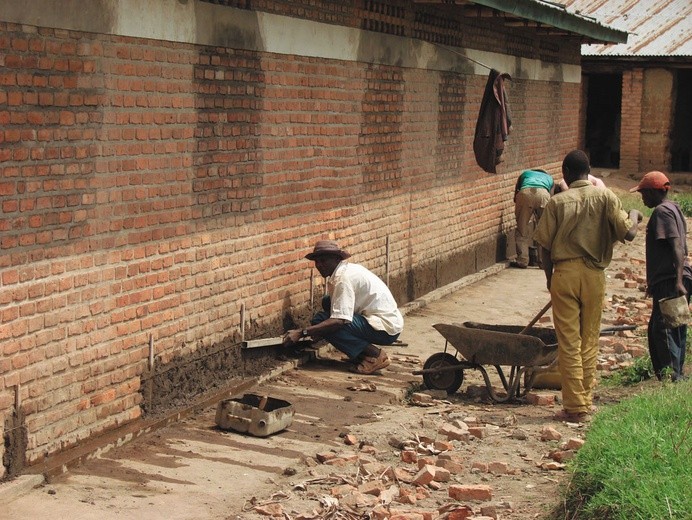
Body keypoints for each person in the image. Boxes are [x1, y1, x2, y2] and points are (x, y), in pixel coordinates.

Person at [534, 150, 643, 423]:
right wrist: (635, 215)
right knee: (589, 338)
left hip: (565, 274)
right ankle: (585, 401)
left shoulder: (557, 203)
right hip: (594, 275)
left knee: (568, 342)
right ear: (590, 170)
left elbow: (543, 248)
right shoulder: (606, 197)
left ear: (566, 174)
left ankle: (574, 407)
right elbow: (628, 233)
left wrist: (550, 278)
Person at [283, 240, 404, 375]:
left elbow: (339, 321)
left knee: (324, 321)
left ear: (336, 259)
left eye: (323, 260)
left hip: (385, 328)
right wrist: (318, 331)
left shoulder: (343, 279)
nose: (319, 265)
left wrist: (302, 332)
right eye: (317, 262)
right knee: (328, 302)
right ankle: (361, 355)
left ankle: (374, 356)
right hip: (385, 321)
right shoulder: (346, 270)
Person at [630, 171, 691, 382]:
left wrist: (677, 281)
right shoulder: (673, 208)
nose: (642, 198)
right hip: (668, 279)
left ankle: (672, 378)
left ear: (654, 192)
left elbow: (676, 246)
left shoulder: (662, 212)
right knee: (673, 327)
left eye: (644, 194)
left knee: (664, 331)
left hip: (671, 280)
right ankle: (676, 375)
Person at [512, 169, 555, 268]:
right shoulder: (550, 178)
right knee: (543, 230)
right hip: (543, 195)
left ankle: (522, 260)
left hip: (525, 193)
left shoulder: (525, 174)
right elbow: (551, 197)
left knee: (522, 229)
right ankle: (543, 262)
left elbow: (516, 193)